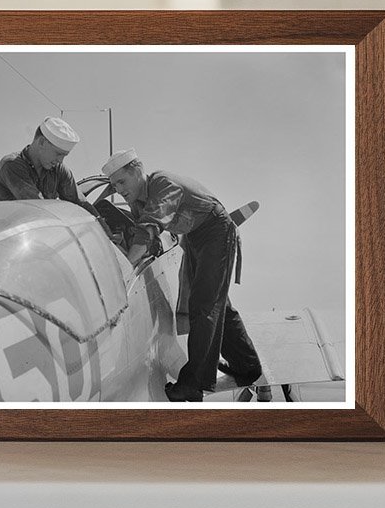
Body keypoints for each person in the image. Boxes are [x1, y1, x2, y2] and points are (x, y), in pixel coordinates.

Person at [102, 148, 264, 403]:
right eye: (114, 186)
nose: (119, 189)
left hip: (216, 230)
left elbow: (147, 231)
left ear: (137, 170)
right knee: (216, 303)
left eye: (122, 181)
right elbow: (149, 240)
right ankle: (249, 366)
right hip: (195, 236)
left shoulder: (163, 184)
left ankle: (193, 383)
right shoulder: (137, 201)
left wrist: (123, 271)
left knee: (204, 304)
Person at [0, 117, 100, 218]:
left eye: (64, 156)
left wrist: (105, 231)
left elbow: (80, 203)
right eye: (58, 153)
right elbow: (38, 208)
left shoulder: (59, 170)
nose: (60, 161)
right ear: (41, 142)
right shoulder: (12, 165)